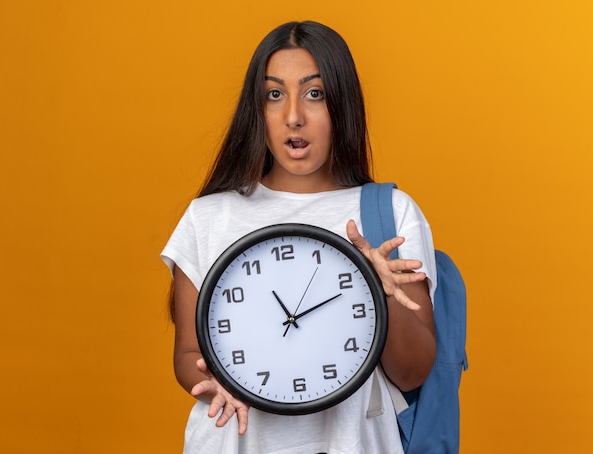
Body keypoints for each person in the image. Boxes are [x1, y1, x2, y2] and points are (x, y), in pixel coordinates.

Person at [161, 20, 437, 454]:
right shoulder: (208, 218)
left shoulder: (391, 214)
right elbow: (187, 356)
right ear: (258, 109)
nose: (293, 115)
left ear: (342, 104)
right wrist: (212, 383)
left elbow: (412, 373)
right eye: (275, 94)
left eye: (315, 93)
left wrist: (382, 291)